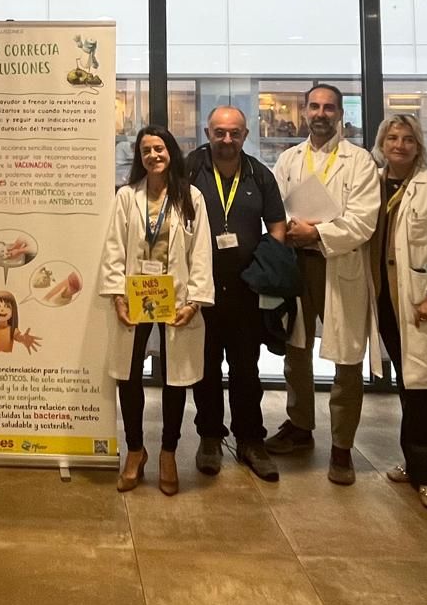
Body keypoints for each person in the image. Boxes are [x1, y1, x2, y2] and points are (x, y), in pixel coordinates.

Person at [270, 84, 381, 485]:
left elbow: (364, 221)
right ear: (304, 111)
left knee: (346, 359)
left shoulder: (360, 162)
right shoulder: (288, 159)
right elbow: (275, 208)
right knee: (295, 349)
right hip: (297, 265)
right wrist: (290, 232)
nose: (321, 113)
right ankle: (300, 426)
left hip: (338, 263)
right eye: (314, 106)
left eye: (329, 108)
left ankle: (341, 447)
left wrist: (317, 233)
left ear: (340, 114)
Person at [99, 126, 213, 495]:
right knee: (128, 375)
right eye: (146, 150)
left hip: (174, 297)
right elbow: (114, 247)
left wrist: (195, 300)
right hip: (134, 296)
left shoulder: (191, 197)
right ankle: (135, 450)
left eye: (159, 148)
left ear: (171, 153)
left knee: (174, 377)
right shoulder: (126, 197)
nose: (153, 156)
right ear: (139, 157)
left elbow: (201, 254)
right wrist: (117, 295)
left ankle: (167, 451)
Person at [184, 105, 288, 482]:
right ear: (207, 132)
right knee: (206, 369)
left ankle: (250, 441)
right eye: (219, 132)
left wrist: (265, 268)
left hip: (246, 292)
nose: (226, 140)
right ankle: (209, 438)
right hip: (201, 290)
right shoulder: (190, 170)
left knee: (247, 370)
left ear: (245, 135)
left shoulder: (260, 175)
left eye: (234, 133)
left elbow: (277, 226)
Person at [367, 114, 427, 510]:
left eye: (408, 139)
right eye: (393, 137)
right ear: (382, 142)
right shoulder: (372, 183)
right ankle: (412, 461)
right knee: (407, 385)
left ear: (419, 145)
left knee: (421, 389)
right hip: (383, 297)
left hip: (418, 300)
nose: (400, 145)